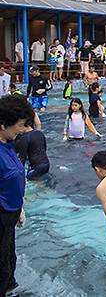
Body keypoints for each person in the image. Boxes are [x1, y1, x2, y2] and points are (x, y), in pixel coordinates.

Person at [0, 94, 32, 295]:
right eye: (20, 125)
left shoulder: (9, 146)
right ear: (3, 124)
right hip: (1, 215)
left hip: (11, 214)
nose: (23, 130)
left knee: (9, 259)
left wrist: (20, 207)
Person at [13, 112, 49, 180]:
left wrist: (19, 174)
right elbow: (45, 148)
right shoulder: (40, 133)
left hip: (36, 167)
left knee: (31, 180)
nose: (18, 131)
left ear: (22, 125)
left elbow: (22, 158)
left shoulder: (24, 138)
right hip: (46, 164)